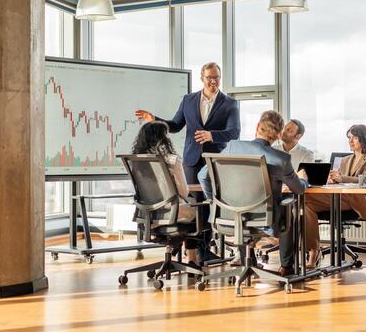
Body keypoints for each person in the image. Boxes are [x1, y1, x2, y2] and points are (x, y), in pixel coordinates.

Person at [135, 62, 241, 265]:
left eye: (217, 77)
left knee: (211, 204)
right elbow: (175, 125)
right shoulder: (189, 100)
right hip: (192, 160)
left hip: (215, 161)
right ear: (202, 78)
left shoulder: (230, 104)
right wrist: (154, 119)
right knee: (194, 202)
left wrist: (212, 135)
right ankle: (196, 250)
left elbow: (234, 132)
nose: (213, 81)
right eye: (209, 77)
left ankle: (205, 249)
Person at [199, 110, 309, 277]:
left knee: (240, 206)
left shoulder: (232, 147)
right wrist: (303, 179)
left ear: (258, 126)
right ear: (279, 135)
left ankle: (246, 261)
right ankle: (287, 266)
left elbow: (202, 175)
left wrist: (214, 202)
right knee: (290, 210)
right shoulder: (281, 159)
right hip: (264, 220)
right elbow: (299, 189)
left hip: (228, 215)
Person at [304, 124, 366, 268]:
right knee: (306, 203)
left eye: (355, 138)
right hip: (339, 197)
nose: (351, 141)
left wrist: (343, 178)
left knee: (306, 200)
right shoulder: (345, 159)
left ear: (364, 139)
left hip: (356, 201)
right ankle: (314, 250)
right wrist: (333, 179)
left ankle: (313, 252)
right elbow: (340, 180)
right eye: (349, 138)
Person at [131, 121, 201, 267]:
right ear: (164, 138)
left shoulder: (136, 160)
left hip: (147, 215)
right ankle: (192, 259)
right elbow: (183, 191)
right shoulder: (172, 160)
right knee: (200, 209)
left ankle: (176, 249)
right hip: (171, 213)